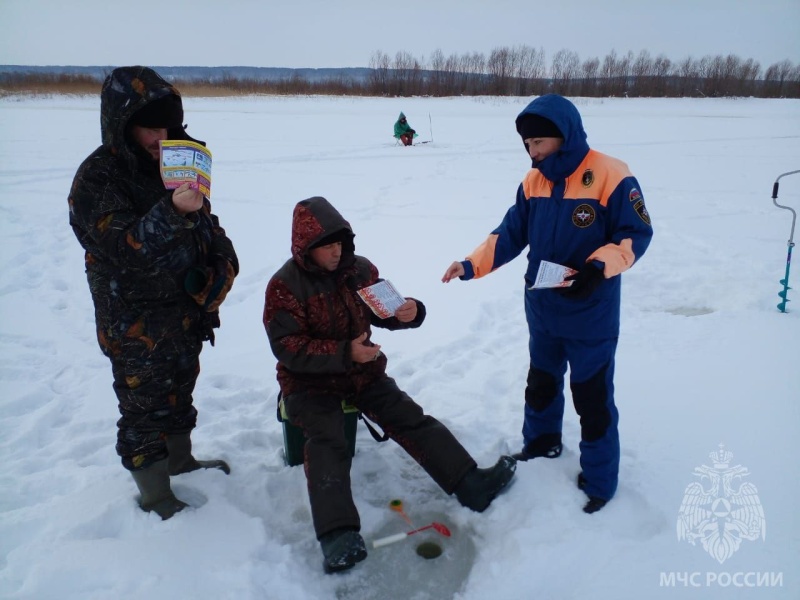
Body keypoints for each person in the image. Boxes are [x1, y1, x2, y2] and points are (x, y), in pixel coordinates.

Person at [263, 196, 516, 573]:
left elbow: (384, 309)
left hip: (363, 373)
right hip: (309, 382)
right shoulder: (285, 286)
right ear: (306, 249)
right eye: (327, 247)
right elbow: (287, 347)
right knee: (328, 440)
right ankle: (337, 536)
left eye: (340, 244)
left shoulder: (359, 270)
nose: (336, 252)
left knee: (410, 418)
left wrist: (409, 312)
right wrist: (344, 353)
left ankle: (470, 484)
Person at [442, 94, 653, 514]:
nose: (533, 152)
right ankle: (541, 444)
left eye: (539, 143)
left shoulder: (612, 175)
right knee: (540, 383)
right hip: (543, 311)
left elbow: (635, 234)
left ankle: (599, 481)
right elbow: (509, 235)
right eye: (528, 145)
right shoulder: (533, 182)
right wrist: (469, 265)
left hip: (591, 313)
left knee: (591, 398)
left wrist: (599, 267)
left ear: (564, 135)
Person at [68, 66, 239, 520]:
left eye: (166, 126)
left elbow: (208, 224)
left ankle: (180, 461)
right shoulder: (98, 179)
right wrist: (172, 210)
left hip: (184, 313)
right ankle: (156, 496)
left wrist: (223, 264)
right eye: (149, 127)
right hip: (134, 322)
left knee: (181, 392)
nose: (160, 137)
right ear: (122, 125)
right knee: (143, 408)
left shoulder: (174, 163)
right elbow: (123, 248)